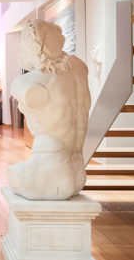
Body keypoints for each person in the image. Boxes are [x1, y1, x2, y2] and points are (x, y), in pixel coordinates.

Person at [7, 20, 90, 200]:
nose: (19, 48)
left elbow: (21, 88)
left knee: (13, 173)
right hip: (77, 167)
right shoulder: (79, 68)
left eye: (23, 41)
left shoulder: (26, 82)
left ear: (35, 45)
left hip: (49, 168)